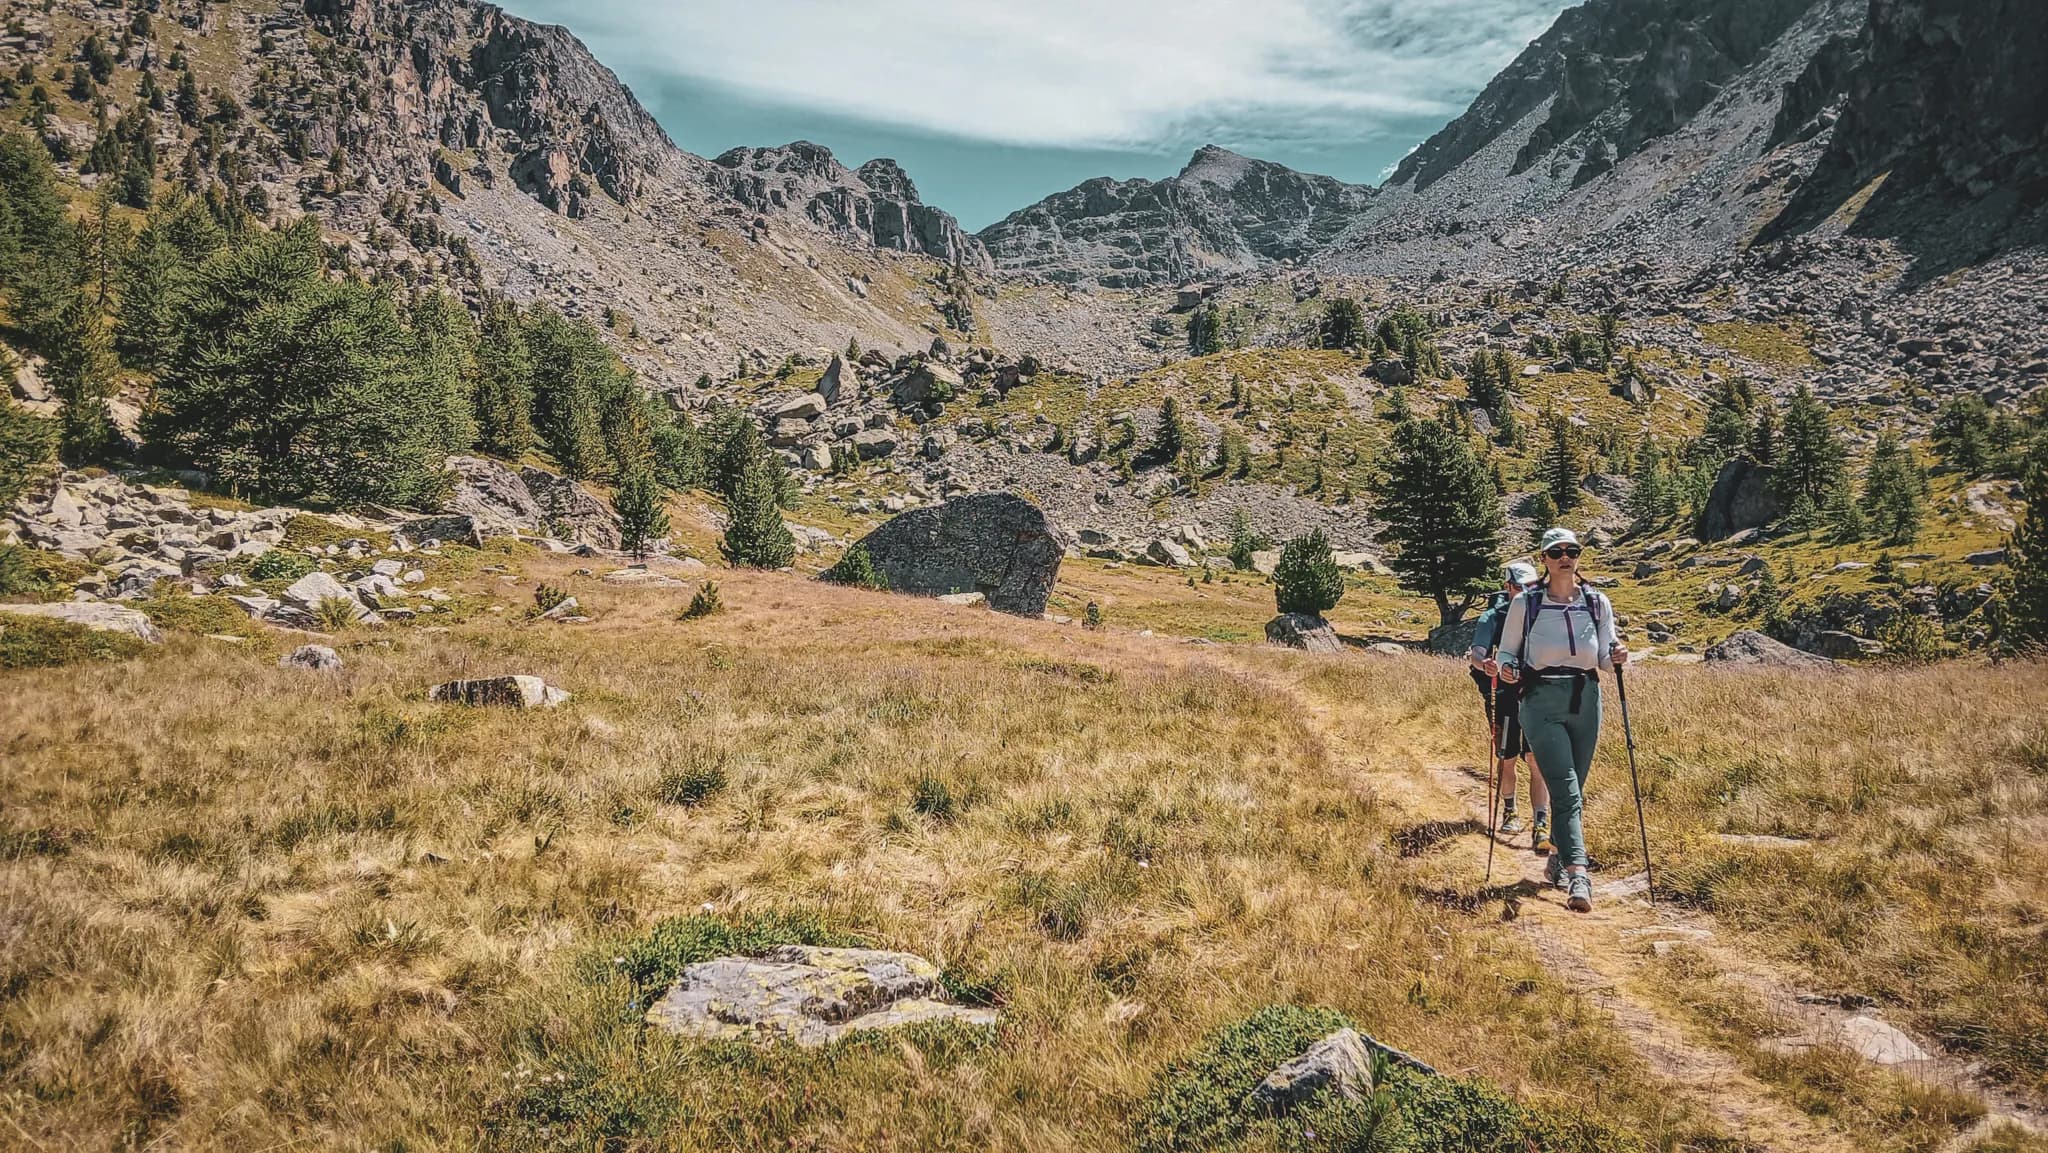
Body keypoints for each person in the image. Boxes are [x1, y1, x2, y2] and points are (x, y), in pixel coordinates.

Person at [1496, 527, 1628, 913]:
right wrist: (1506, 669)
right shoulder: (1528, 602)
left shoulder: (1597, 601)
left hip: (1586, 698)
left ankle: (1555, 856)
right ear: (1545, 559)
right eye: (1556, 552)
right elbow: (1507, 652)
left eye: (1572, 550)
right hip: (1539, 701)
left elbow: (1604, 656)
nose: (1565, 557)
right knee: (1567, 791)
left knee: (1574, 789)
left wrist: (1618, 656)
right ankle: (1578, 874)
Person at [1467, 561, 1552, 852]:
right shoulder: (1492, 617)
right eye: (1519, 587)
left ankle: (1541, 823)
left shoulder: (1542, 613)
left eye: (1530, 587)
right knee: (1507, 757)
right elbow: (1476, 654)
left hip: (1535, 696)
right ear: (1507, 587)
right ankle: (1510, 811)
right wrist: (1486, 664)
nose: (1525, 592)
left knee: (1536, 760)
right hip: (1503, 696)